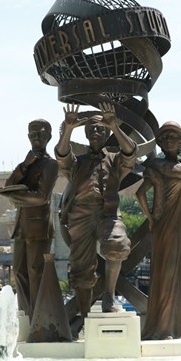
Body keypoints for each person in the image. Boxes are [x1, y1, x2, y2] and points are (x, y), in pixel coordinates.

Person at [55, 102, 136, 317]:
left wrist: (115, 126)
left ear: (107, 133)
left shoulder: (115, 160)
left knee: (117, 245)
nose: (96, 132)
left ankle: (109, 296)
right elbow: (62, 157)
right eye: (91, 130)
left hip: (108, 213)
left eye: (101, 129)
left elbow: (130, 153)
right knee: (81, 268)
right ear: (86, 135)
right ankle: (84, 314)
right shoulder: (78, 163)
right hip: (81, 214)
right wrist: (68, 130)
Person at [136, 121, 181, 340]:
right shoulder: (156, 166)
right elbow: (140, 194)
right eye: (167, 137)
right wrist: (151, 218)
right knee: (167, 271)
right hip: (165, 225)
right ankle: (163, 327)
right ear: (162, 143)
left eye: (175, 137)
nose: (171, 141)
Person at [0, 119, 58, 320]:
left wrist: (17, 197)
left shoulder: (51, 164)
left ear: (49, 136)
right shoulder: (26, 164)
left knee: (35, 271)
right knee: (19, 271)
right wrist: (24, 165)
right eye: (32, 134)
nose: (36, 137)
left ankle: (38, 318)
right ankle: (25, 316)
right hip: (22, 226)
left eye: (40, 134)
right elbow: (9, 184)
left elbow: (42, 196)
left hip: (39, 227)